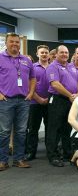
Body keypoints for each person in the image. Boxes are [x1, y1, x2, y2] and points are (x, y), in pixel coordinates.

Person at [0, 33, 36, 171]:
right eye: (12, 42)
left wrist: (31, 93)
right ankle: (2, 161)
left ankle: (18, 159)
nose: (14, 44)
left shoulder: (26, 60)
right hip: (6, 101)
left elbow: (33, 78)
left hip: (23, 101)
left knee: (21, 132)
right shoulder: (0, 58)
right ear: (6, 43)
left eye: (17, 42)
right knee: (4, 132)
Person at [46, 45, 78, 167]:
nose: (64, 55)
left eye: (66, 53)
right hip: (58, 100)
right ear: (56, 54)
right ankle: (53, 156)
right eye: (61, 52)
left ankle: (67, 153)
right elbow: (55, 84)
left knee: (67, 128)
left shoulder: (72, 67)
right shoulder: (52, 67)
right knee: (54, 129)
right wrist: (70, 95)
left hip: (71, 101)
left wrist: (77, 95)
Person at [25, 45, 50, 161]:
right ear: (37, 54)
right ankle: (31, 152)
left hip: (50, 103)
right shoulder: (32, 67)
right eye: (42, 53)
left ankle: (50, 152)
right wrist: (38, 98)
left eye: (46, 52)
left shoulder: (53, 67)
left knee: (50, 129)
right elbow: (29, 85)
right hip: (35, 102)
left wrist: (47, 99)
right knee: (33, 129)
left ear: (49, 54)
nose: (44, 54)